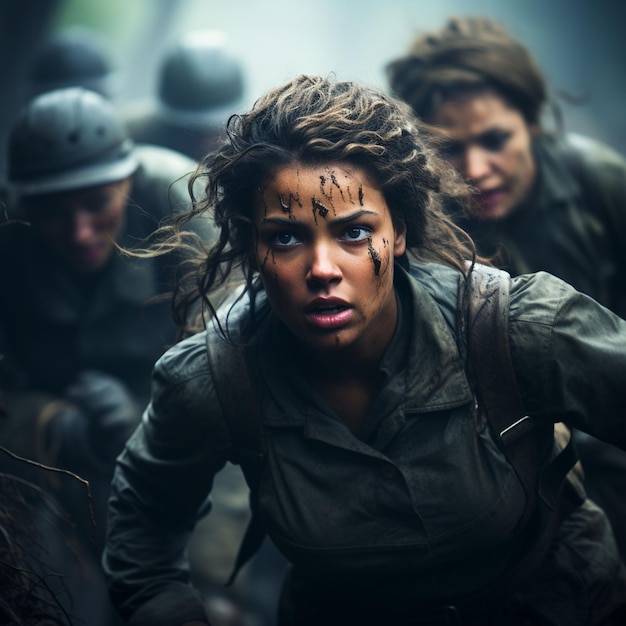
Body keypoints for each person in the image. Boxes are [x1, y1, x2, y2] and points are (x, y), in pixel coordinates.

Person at [103, 74, 626, 626]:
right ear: (251, 248)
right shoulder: (214, 380)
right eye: (285, 237)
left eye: (354, 233)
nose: (322, 270)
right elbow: (143, 520)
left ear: (398, 232)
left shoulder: (515, 328)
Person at [386, 15, 626, 557]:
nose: (477, 168)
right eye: (449, 150)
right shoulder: (411, 230)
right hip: (495, 490)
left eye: (496, 140)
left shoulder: (601, 185)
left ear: (532, 123)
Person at [0, 86, 215, 626]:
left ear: (128, 179)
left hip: (195, 449)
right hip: (53, 469)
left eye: (98, 203)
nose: (79, 232)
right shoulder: (8, 237)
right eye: (53, 211)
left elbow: (237, 363)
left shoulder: (183, 207)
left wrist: (152, 416)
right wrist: (47, 423)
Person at [123, 30, 246, 163]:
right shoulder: (130, 134)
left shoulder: (243, 149)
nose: (208, 141)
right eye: (193, 131)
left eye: (213, 129)